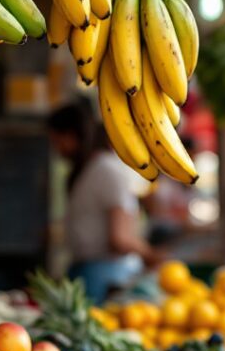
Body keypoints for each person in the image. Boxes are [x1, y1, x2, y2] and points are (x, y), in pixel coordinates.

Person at [50, 101, 157, 303]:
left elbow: (120, 239)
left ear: (72, 136)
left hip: (100, 275)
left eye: (57, 141)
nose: (57, 149)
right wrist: (153, 255)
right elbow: (119, 238)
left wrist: (152, 256)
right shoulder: (99, 169)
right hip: (95, 274)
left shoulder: (103, 170)